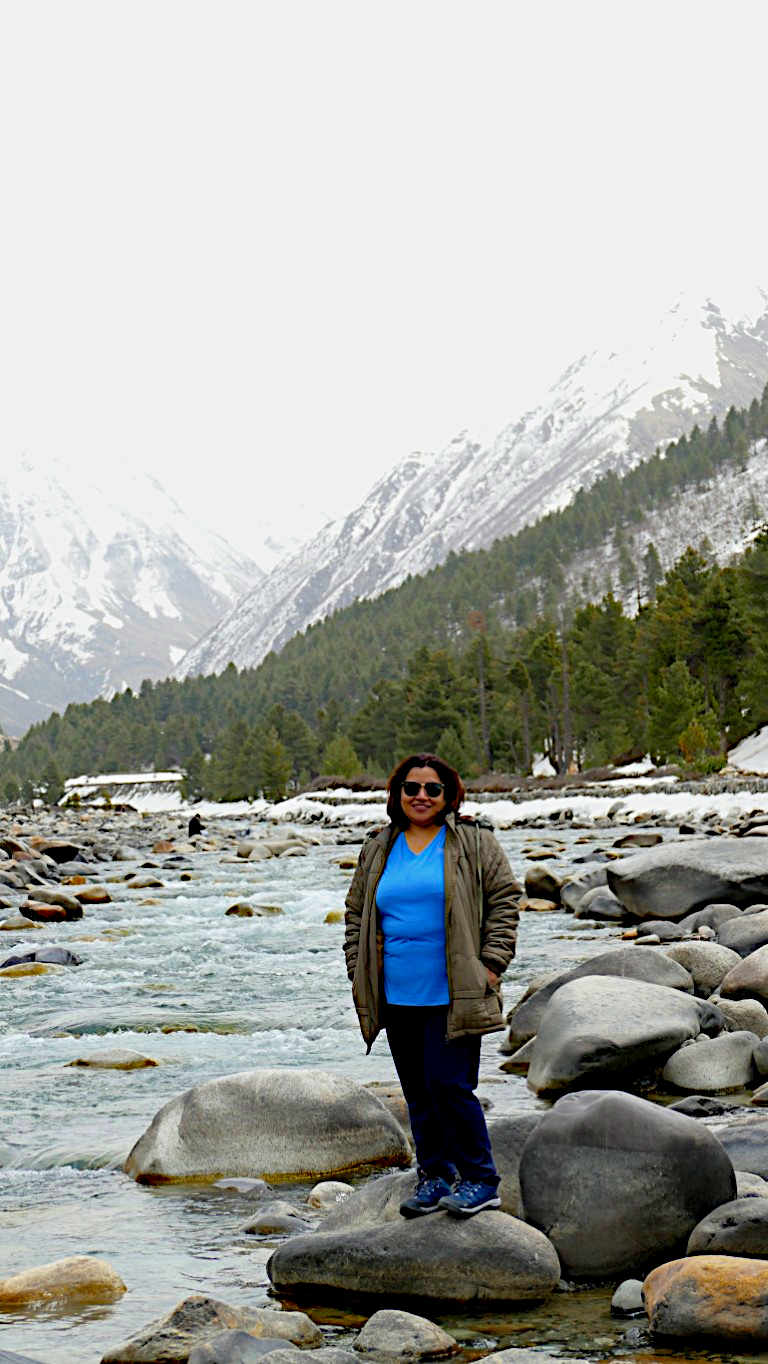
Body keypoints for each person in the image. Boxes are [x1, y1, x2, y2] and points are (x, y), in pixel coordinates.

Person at [344, 752, 521, 1218]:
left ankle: (482, 1179)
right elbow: (357, 913)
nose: (421, 796)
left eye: (432, 789)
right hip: (396, 990)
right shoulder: (379, 846)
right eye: (411, 788)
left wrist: (491, 965)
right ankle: (435, 1176)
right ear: (397, 794)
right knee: (419, 1091)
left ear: (449, 795)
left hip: (455, 988)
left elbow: (505, 901)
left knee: (450, 1086)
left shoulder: (473, 842)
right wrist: (356, 967)